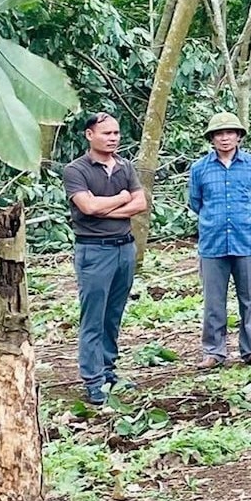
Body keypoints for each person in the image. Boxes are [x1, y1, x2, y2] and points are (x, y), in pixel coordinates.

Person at [61, 113, 149, 405]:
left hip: (124, 248)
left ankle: (109, 371)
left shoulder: (125, 166)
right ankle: (93, 380)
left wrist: (105, 207)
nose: (113, 138)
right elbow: (86, 206)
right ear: (89, 135)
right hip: (94, 250)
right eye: (106, 133)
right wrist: (122, 198)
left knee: (113, 315)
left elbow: (141, 203)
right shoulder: (76, 170)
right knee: (93, 316)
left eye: (116, 133)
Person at [188, 111, 251, 367]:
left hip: (246, 242)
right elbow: (196, 202)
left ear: (239, 137)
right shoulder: (199, 169)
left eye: (230, 133)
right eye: (219, 134)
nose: (225, 138)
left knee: (249, 299)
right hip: (212, 243)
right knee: (213, 301)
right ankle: (213, 352)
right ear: (212, 138)